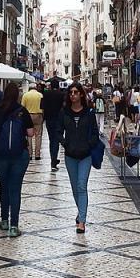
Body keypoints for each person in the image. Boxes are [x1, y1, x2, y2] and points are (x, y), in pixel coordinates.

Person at [0, 83, 34, 237]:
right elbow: (31, 133)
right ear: (17, 95)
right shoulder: (22, 111)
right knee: (15, 189)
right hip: (19, 156)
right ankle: (14, 226)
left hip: (0, 155)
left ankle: (4, 220)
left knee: (4, 187)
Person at [59, 82, 100, 234]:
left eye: (76, 92)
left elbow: (95, 133)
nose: (73, 95)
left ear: (81, 94)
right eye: (71, 92)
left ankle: (82, 221)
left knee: (82, 185)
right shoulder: (64, 113)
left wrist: (89, 145)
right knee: (75, 188)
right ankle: (80, 212)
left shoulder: (88, 112)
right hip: (70, 155)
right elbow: (58, 131)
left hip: (85, 155)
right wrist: (65, 144)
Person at [42, 76, 65, 171]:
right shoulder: (61, 94)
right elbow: (64, 106)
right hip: (59, 120)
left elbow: (42, 107)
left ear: (51, 86)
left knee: (52, 140)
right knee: (56, 140)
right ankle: (53, 161)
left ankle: (53, 159)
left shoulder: (46, 94)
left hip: (49, 120)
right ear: (58, 86)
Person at [21, 83, 44, 160]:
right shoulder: (40, 95)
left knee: (28, 135)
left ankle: (29, 154)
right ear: (35, 88)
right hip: (38, 115)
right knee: (38, 135)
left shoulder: (25, 95)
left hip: (28, 116)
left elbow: (22, 107)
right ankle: (37, 155)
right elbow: (43, 107)